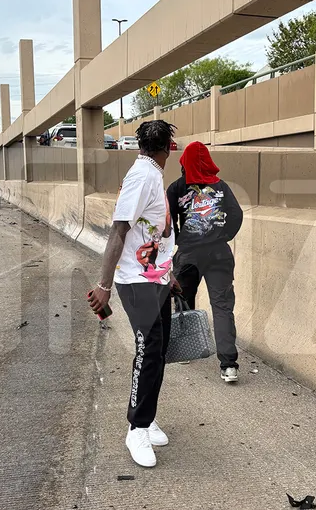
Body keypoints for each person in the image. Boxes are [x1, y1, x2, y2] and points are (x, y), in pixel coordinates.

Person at [88, 120, 179, 468]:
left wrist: (167, 275)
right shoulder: (143, 177)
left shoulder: (152, 174)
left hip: (154, 276)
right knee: (149, 348)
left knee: (159, 348)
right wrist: (104, 285)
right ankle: (136, 428)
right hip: (135, 279)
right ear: (167, 148)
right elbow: (118, 231)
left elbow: (152, 232)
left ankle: (148, 415)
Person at [166, 141, 243, 383]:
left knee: (183, 298)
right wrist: (224, 236)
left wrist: (180, 240)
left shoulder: (177, 188)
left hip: (189, 254)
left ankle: (186, 348)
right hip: (219, 253)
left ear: (184, 163)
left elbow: (167, 221)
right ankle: (229, 365)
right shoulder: (221, 187)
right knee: (222, 307)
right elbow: (236, 215)